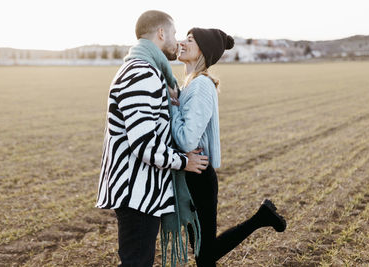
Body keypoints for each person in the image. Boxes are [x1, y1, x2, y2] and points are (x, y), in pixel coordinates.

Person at [95, 11, 209, 267]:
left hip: (141, 191)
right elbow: (144, 144)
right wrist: (184, 161)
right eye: (175, 34)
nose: (177, 41)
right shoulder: (142, 73)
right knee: (137, 262)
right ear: (161, 33)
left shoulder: (145, 71)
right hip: (136, 191)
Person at [169, 28, 287, 266]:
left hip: (198, 176)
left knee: (205, 254)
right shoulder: (192, 85)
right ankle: (262, 217)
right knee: (204, 253)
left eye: (190, 40)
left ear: (204, 50)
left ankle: (261, 217)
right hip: (193, 174)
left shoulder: (201, 85)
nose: (182, 42)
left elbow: (188, 139)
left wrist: (172, 106)